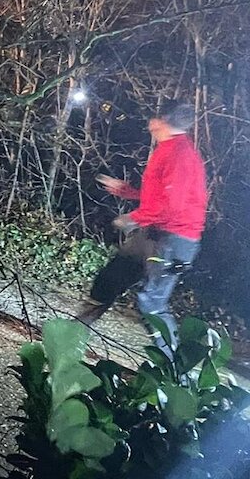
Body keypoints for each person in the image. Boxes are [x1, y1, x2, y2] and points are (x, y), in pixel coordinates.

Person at [94, 100, 207, 349]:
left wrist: (133, 218)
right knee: (111, 278)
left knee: (152, 302)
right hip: (155, 234)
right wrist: (127, 191)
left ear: (161, 121)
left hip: (173, 240)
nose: (150, 126)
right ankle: (73, 333)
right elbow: (160, 197)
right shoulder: (168, 148)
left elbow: (171, 206)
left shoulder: (180, 155)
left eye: (153, 121)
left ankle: (175, 369)